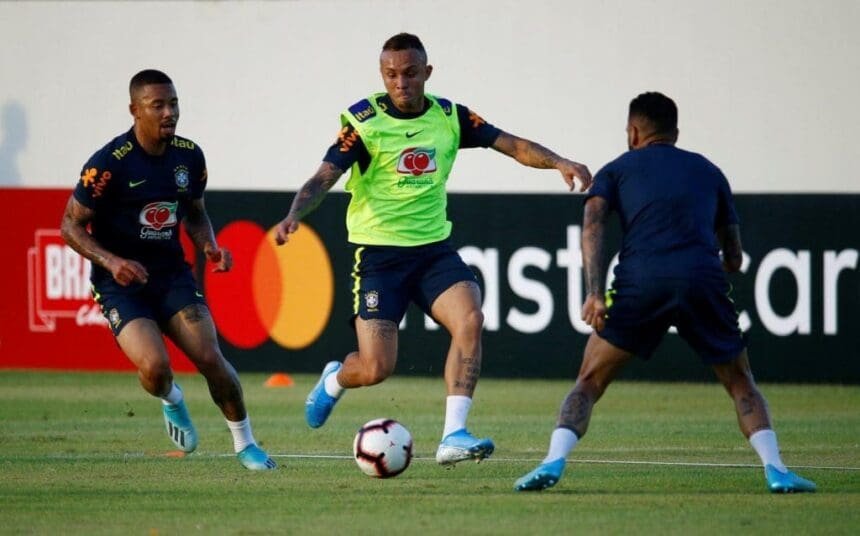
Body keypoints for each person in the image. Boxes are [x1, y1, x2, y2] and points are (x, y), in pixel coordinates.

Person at [274, 33, 592, 466]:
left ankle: (454, 435)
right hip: (380, 258)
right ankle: (335, 379)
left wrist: (559, 162)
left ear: (426, 72)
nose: (400, 83)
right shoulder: (364, 123)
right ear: (382, 76)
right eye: (391, 75)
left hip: (433, 253)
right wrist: (296, 212)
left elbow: (512, 144)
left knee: (471, 317)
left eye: (409, 73)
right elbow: (324, 176)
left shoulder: (450, 116)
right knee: (374, 368)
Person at [514, 92, 816, 493]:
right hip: (702, 280)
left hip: (642, 281)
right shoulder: (709, 172)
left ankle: (553, 461)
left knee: (588, 381)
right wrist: (718, 266)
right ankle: (776, 469)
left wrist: (594, 293)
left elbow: (592, 222)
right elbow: (736, 256)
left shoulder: (617, 170)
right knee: (741, 381)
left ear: (633, 131)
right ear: (675, 132)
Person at [60, 69, 276, 471]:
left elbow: (194, 214)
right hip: (119, 284)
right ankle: (172, 399)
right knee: (155, 368)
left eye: (173, 103)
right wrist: (112, 261)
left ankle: (245, 445)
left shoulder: (189, 156)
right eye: (157, 105)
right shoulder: (109, 163)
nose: (169, 113)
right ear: (134, 111)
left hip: (171, 275)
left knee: (211, 357)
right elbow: (69, 225)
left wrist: (208, 246)